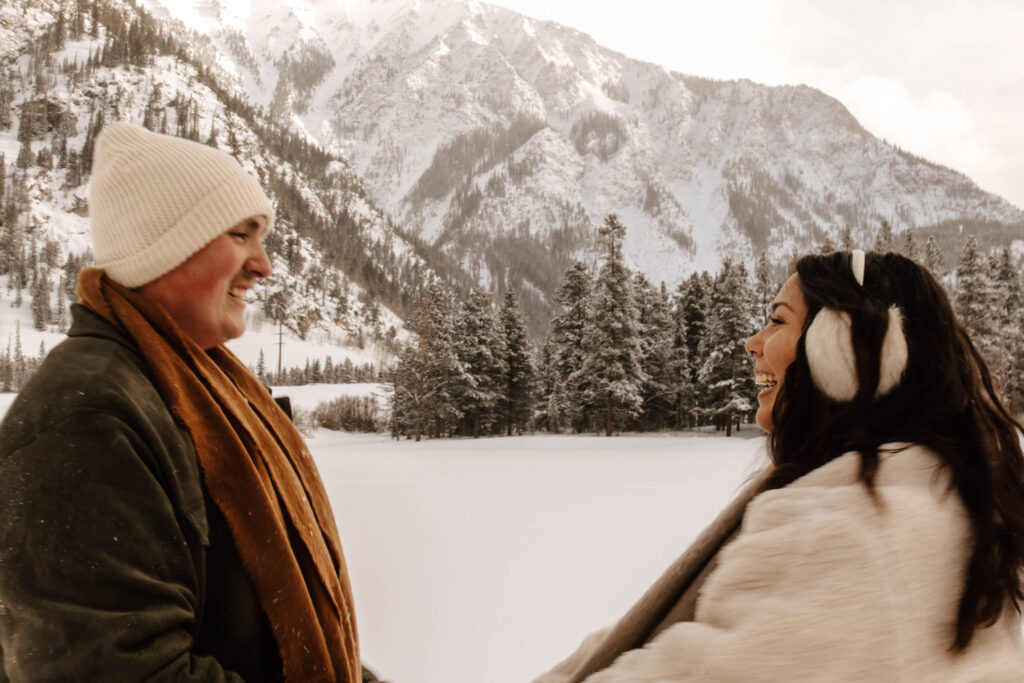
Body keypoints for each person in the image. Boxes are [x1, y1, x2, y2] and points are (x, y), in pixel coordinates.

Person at [534, 250, 1024, 681]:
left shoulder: (843, 533)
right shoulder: (949, 503)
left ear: (842, 350)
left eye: (778, 320)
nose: (753, 341)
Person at [0, 123, 368, 681]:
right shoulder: (87, 420)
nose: (264, 265)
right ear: (165, 244)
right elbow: (120, 670)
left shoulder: (205, 391)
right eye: (241, 235)